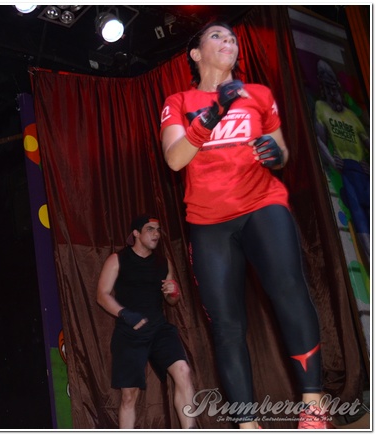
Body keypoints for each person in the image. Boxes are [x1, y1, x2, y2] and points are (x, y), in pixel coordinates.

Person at [159, 22, 327, 429]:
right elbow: (175, 159)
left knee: (289, 291)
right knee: (227, 326)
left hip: (261, 204)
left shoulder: (259, 95)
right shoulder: (179, 101)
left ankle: (313, 407)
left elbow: (281, 152)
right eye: (216, 37)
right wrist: (214, 112)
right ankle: (246, 424)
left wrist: (274, 153)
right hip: (208, 222)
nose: (228, 41)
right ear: (195, 54)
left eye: (232, 38)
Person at [96, 214, 197, 429]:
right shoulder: (117, 259)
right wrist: (125, 313)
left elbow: (171, 301)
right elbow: (101, 295)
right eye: (150, 229)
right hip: (129, 331)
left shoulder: (163, 262)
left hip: (159, 328)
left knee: (183, 371)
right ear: (136, 233)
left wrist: (174, 292)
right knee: (129, 396)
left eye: (158, 230)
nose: (156, 234)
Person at [314, 58, 370, 261]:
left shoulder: (351, 115)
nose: (332, 92)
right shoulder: (321, 107)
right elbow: (319, 139)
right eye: (327, 87)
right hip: (346, 172)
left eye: (333, 87)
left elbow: (368, 141)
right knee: (360, 220)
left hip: (364, 173)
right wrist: (330, 159)